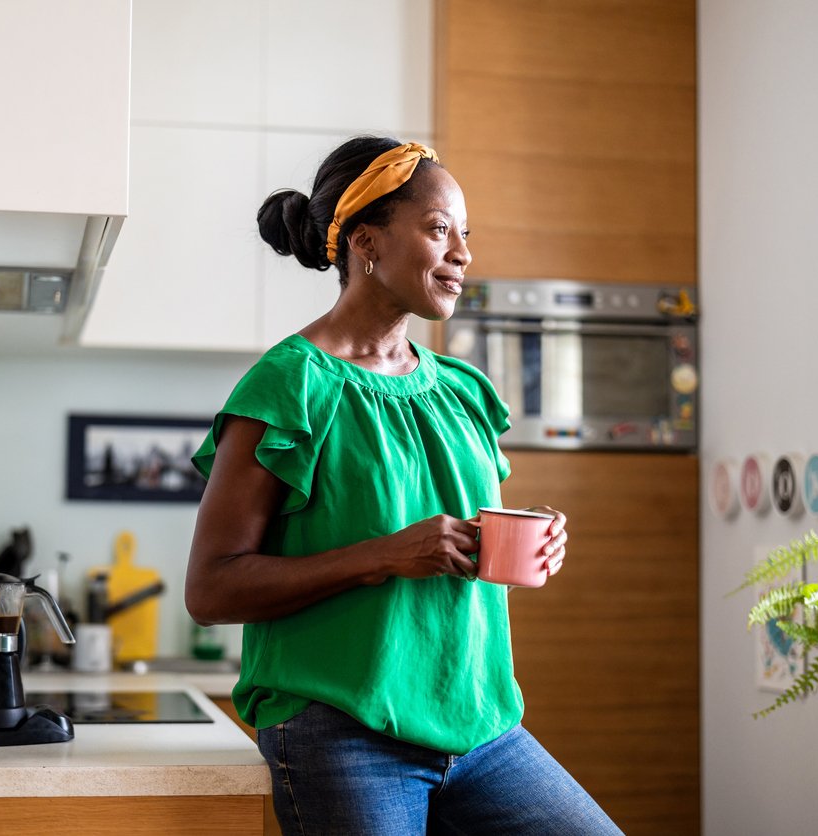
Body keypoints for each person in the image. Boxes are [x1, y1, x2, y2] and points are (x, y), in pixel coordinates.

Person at [186, 136, 622, 835]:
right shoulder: (292, 385)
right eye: (439, 228)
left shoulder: (461, 391)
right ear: (367, 242)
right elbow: (211, 589)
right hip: (345, 734)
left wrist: (528, 535)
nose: (463, 253)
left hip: (480, 728)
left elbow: (450, 532)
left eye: (465, 234)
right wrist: (386, 555)